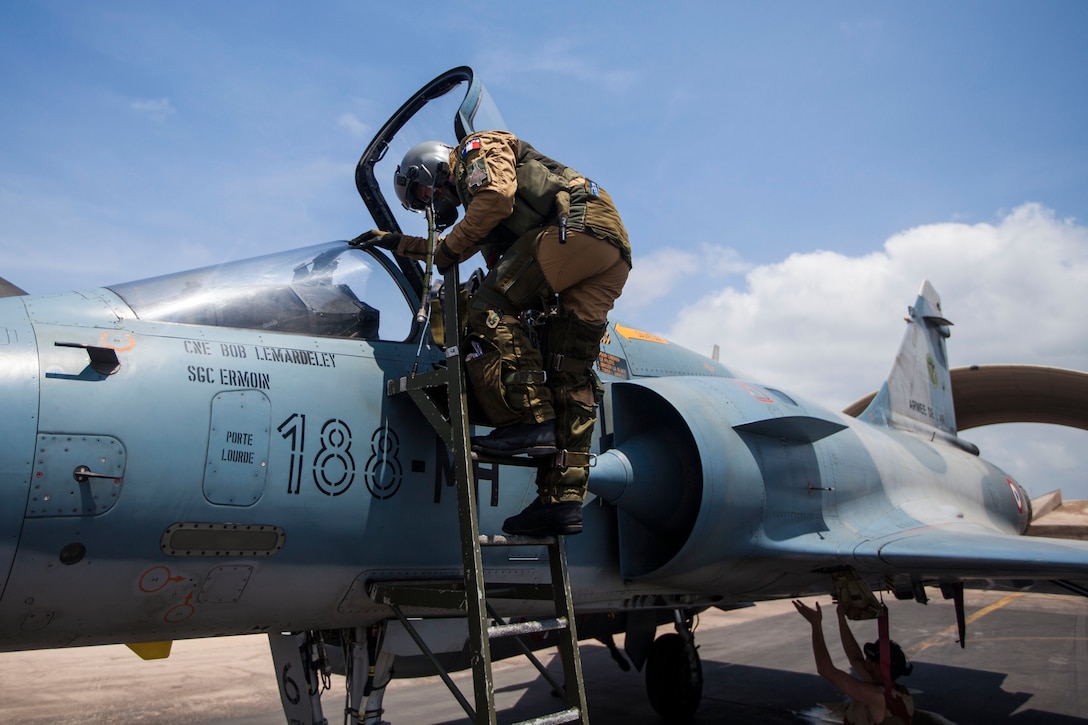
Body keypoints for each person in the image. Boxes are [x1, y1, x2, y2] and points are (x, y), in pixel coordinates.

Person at [354, 130, 631, 537]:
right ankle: (562, 502)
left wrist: (446, 252)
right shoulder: (481, 209)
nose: (429, 206)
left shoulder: (474, 150)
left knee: (488, 308)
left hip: (575, 227)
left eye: (423, 195)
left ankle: (535, 419)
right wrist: (397, 243)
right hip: (607, 251)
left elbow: (496, 201)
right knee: (568, 373)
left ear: (431, 168)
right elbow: (459, 243)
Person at [793, 600, 914, 725]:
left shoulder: (875, 695)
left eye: (869, 658)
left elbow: (825, 669)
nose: (865, 660)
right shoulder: (896, 691)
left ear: (877, 667)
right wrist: (841, 617)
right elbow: (856, 659)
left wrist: (815, 625)